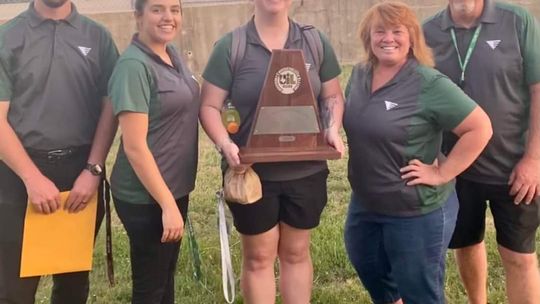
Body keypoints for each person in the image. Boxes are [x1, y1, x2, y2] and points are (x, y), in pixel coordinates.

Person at [343, 2, 492, 303]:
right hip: (366, 203)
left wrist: (442, 172)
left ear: (412, 38)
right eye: (379, 31)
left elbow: (480, 128)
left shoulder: (428, 82)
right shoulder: (360, 75)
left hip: (415, 211)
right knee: (370, 269)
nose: (388, 38)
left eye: (398, 31)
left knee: (420, 292)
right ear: (367, 37)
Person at [200, 0, 345, 302]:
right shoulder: (232, 45)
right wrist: (225, 144)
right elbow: (210, 106)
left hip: (306, 169)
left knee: (296, 252)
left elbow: (332, 95)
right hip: (251, 172)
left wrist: (332, 128)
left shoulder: (315, 42)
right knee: (258, 258)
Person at [0, 0, 119, 303]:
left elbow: (110, 106)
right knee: (14, 288)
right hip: (18, 175)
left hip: (80, 172)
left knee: (72, 286)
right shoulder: (8, 37)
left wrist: (93, 170)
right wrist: (31, 179)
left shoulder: (98, 38)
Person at [423, 0, 540, 303]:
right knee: (466, 243)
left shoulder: (516, 21)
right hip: (458, 166)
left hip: (514, 167)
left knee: (519, 255)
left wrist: (534, 159)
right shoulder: (429, 31)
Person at [107, 0, 199, 302]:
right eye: (157, 9)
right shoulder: (134, 67)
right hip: (147, 197)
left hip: (173, 189)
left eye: (175, 9)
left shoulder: (171, 54)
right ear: (138, 16)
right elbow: (134, 146)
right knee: (150, 287)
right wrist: (167, 205)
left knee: (164, 279)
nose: (168, 17)